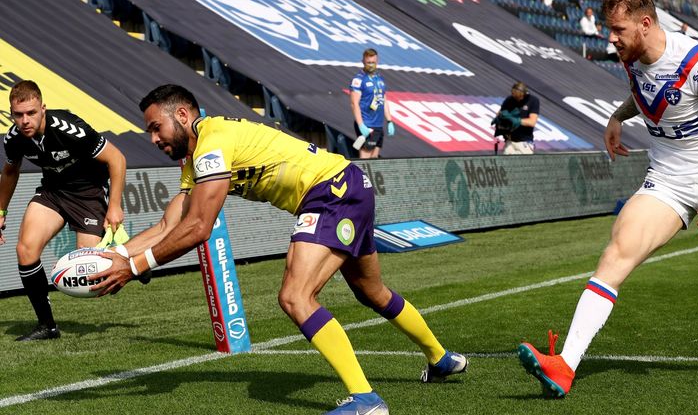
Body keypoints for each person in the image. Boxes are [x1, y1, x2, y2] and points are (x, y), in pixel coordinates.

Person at [91, 84, 467, 414]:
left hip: (330, 193)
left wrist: (137, 266)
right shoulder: (194, 160)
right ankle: (441, 358)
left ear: (183, 115)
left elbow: (199, 228)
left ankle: (365, 400)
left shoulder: (213, 142)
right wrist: (121, 255)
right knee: (372, 291)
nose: (153, 138)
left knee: (295, 296)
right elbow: (169, 225)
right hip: (348, 186)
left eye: (156, 127)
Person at [517, 0, 698, 398]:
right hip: (667, 181)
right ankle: (564, 366)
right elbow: (645, 89)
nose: (609, 38)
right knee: (616, 253)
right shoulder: (633, 55)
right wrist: (617, 116)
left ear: (645, 24)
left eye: (617, 29)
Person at [0, 80, 126, 341]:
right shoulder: (14, 138)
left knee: (92, 271)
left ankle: (134, 262)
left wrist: (114, 206)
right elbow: (10, 171)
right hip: (53, 192)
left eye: (31, 113)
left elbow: (117, 159)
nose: (24, 120)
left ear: (43, 108)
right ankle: (47, 326)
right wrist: (0, 212)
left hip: (88, 193)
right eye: (18, 114)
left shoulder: (69, 128)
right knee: (25, 249)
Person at [349, 48, 395, 159]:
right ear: (363, 62)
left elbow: (383, 99)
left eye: (373, 62)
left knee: (374, 158)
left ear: (377, 62)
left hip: (378, 125)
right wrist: (361, 125)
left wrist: (389, 120)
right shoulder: (359, 79)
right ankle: (360, 177)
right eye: (368, 63)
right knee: (365, 157)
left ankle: (369, 177)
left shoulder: (379, 79)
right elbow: (354, 103)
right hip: (367, 124)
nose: (371, 65)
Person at [492, 82, 539, 155]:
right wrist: (500, 119)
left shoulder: (532, 101)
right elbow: (500, 113)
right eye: (514, 97)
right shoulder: (509, 99)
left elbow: (532, 122)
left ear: (523, 94)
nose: (516, 99)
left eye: (518, 97)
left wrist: (516, 121)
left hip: (523, 142)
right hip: (509, 141)